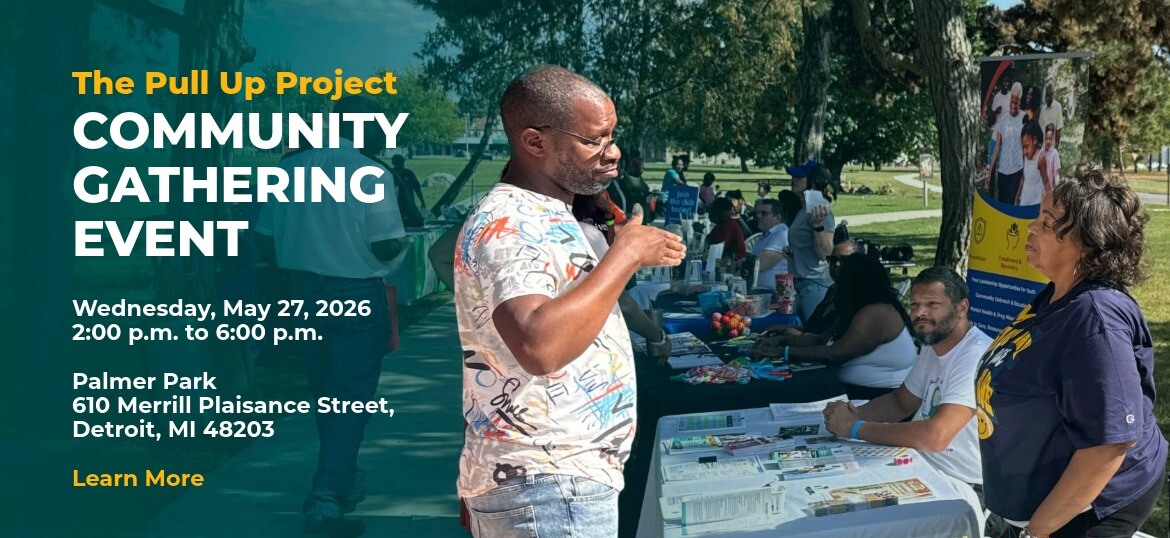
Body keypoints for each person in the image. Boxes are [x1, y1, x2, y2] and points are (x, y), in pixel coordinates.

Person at [455, 65, 686, 538]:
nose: (613, 152)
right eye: (593, 141)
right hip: (547, 485)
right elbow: (540, 345)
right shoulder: (511, 221)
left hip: (558, 481)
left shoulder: (547, 212)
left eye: (612, 136)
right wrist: (625, 253)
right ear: (535, 143)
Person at [975, 169, 1167, 538]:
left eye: (1047, 224)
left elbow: (1109, 444)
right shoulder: (1057, 294)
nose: (1031, 229)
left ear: (1086, 241)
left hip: (1087, 511)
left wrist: (1039, 530)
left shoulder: (1097, 318)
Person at [256, 95, 411, 537]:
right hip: (355, 293)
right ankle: (326, 497)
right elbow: (384, 243)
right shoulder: (370, 173)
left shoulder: (288, 169)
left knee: (325, 393)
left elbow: (265, 238)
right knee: (349, 398)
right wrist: (397, 252)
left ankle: (341, 480)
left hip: (300, 293)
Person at [823, 267, 999, 532]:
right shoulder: (933, 345)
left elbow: (935, 436)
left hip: (966, 488)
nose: (919, 313)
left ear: (962, 308)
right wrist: (851, 413)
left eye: (932, 304)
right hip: (923, 467)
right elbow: (900, 402)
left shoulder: (974, 355)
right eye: (914, 304)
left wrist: (854, 428)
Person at [752, 253, 916, 400]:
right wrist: (782, 341)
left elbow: (835, 354)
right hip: (852, 390)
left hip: (878, 397)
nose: (837, 286)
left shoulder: (876, 313)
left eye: (842, 281)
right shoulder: (857, 307)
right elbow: (821, 340)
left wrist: (784, 352)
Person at [572, 193, 673, 362]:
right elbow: (623, 304)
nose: (612, 226)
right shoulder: (589, 234)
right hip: (595, 355)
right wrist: (659, 338)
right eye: (608, 220)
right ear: (592, 220)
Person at [784, 160, 836, 320]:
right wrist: (793, 250)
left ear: (813, 183)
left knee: (812, 335)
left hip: (815, 285)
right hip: (799, 284)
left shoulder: (821, 211)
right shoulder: (804, 209)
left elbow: (826, 254)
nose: (794, 180)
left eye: (799, 177)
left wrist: (818, 226)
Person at [988, 82, 1025, 205]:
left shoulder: (1024, 119)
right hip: (1002, 169)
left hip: (1017, 169)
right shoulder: (1003, 119)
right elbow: (997, 146)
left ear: (1020, 101)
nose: (1013, 106)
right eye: (1011, 103)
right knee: (1002, 205)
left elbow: (1028, 147)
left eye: (1016, 103)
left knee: (1012, 204)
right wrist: (989, 173)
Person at [749, 198, 788, 290]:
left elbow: (761, 264)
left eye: (764, 213)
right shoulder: (768, 235)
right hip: (763, 293)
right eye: (757, 213)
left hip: (776, 296)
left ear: (778, 217)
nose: (758, 216)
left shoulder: (781, 234)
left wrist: (737, 264)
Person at [1017, 121, 1045, 206]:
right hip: (1024, 200)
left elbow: (1046, 183)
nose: (1025, 151)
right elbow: (1023, 178)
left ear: (1035, 140)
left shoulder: (1041, 157)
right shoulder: (1026, 155)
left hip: (1036, 203)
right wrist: (1017, 197)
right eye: (1023, 147)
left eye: (1026, 147)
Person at [1038, 82, 1063, 149]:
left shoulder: (1058, 107)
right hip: (1042, 145)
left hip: (1052, 146)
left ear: (1052, 94)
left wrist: (1056, 147)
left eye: (1049, 93)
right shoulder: (1043, 108)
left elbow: (1058, 129)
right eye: (1046, 94)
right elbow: (1040, 127)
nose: (1047, 96)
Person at [1041, 123, 1061, 194]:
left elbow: (1056, 174)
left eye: (1050, 139)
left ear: (1053, 138)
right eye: (1046, 138)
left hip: (1048, 191)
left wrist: (1058, 189)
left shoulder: (1055, 153)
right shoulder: (1040, 151)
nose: (1048, 141)